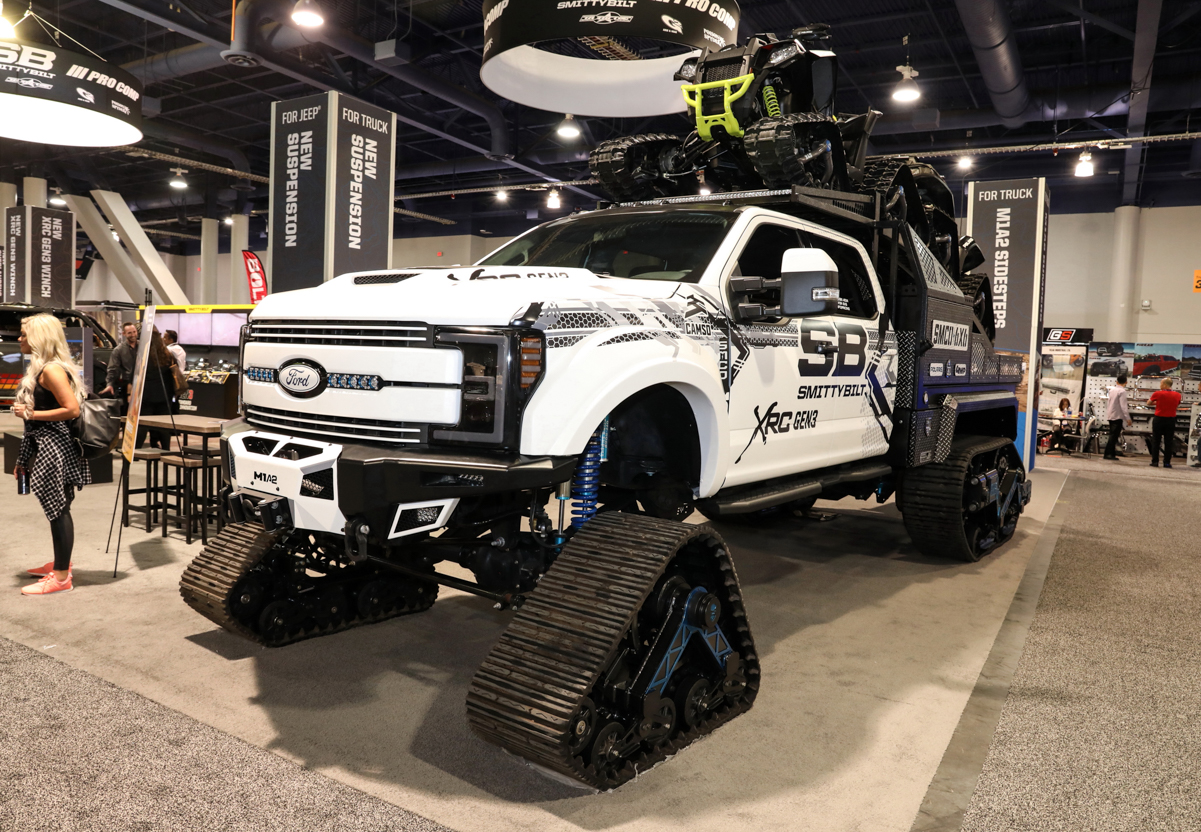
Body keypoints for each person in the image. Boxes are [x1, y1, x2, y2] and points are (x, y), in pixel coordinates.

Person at [12, 314, 90, 596]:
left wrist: (30, 413)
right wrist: (23, 459)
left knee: (58, 508)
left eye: (24, 334)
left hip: (54, 447)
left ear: (39, 338)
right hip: (48, 444)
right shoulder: (44, 368)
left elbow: (72, 410)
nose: (19, 338)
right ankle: (61, 564)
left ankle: (60, 577)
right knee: (58, 507)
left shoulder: (51, 370)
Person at [135, 328, 178, 450]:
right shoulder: (168, 355)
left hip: (146, 396)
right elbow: (175, 373)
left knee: (142, 425)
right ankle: (166, 450)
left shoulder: (143, 356)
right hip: (164, 396)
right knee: (164, 426)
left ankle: (136, 451)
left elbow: (135, 375)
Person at [101, 321, 138, 414]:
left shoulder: (143, 346)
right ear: (124, 334)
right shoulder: (118, 350)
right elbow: (113, 369)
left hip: (144, 385)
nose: (133, 335)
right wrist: (109, 384)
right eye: (129, 333)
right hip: (128, 387)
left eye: (134, 332)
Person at [1147, 378, 1182, 468]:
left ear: (1164, 384)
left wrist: (1158, 403)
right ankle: (1167, 462)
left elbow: (1149, 403)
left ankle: (1155, 461)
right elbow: (1176, 405)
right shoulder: (1178, 395)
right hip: (1171, 419)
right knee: (1169, 441)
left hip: (1159, 419)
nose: (1160, 385)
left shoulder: (1158, 393)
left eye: (1161, 383)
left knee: (1156, 440)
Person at [1103, 373, 1132, 460]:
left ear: (1117, 381)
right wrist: (1127, 418)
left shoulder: (1112, 390)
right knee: (1114, 436)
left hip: (1111, 414)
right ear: (1126, 382)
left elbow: (1109, 402)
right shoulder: (1122, 391)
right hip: (1117, 416)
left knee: (1112, 435)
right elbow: (1123, 406)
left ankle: (1111, 453)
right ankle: (1108, 454)